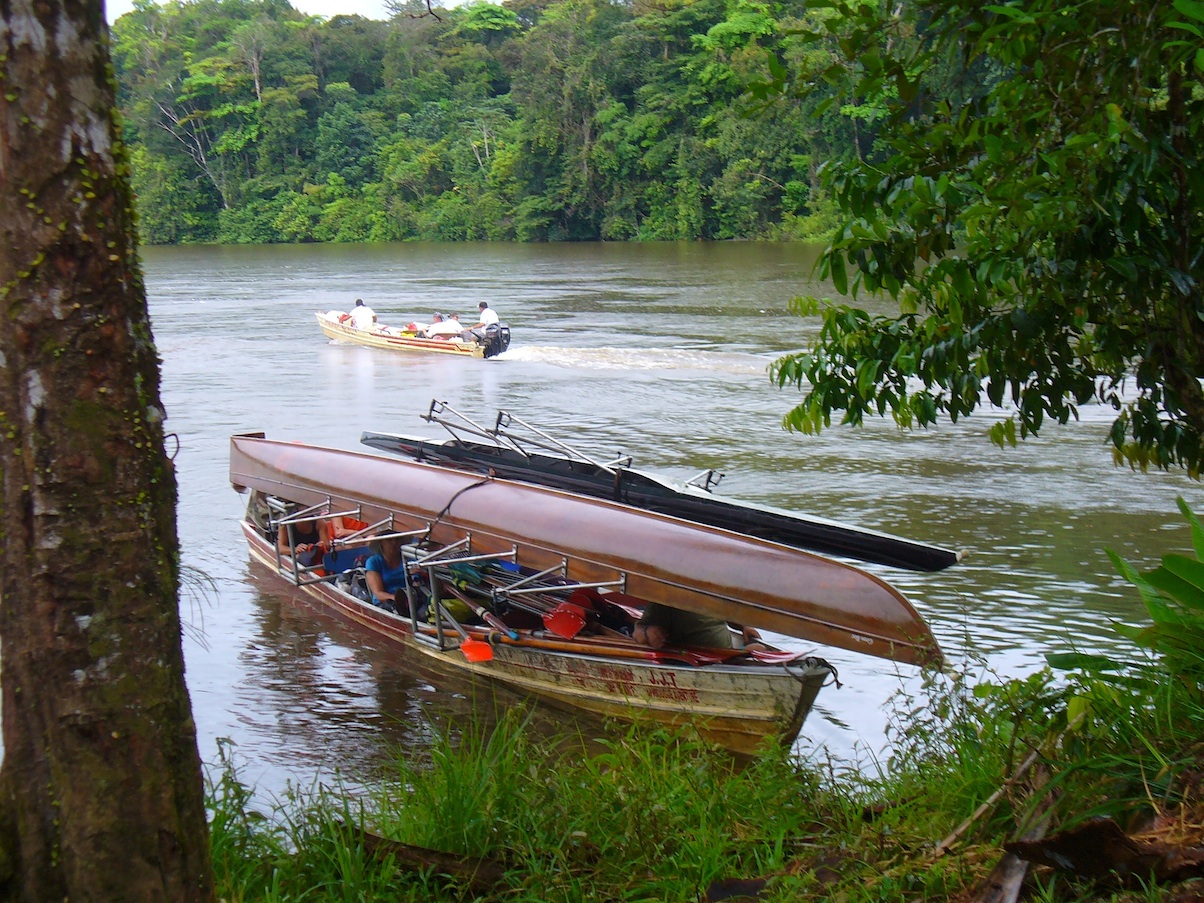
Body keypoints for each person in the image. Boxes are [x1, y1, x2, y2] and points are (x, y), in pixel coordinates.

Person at [633, 602, 764, 650]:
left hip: (727, 657)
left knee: (759, 649)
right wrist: (647, 632)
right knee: (757, 649)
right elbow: (638, 633)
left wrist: (744, 626)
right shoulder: (668, 598)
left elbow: (728, 614)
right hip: (701, 662)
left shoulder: (711, 588)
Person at [364, 534, 409, 612]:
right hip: (385, 604)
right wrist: (396, 599)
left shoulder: (409, 559)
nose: (394, 542)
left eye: (397, 539)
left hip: (410, 600)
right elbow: (378, 593)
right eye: (389, 539)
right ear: (381, 542)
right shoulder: (373, 562)